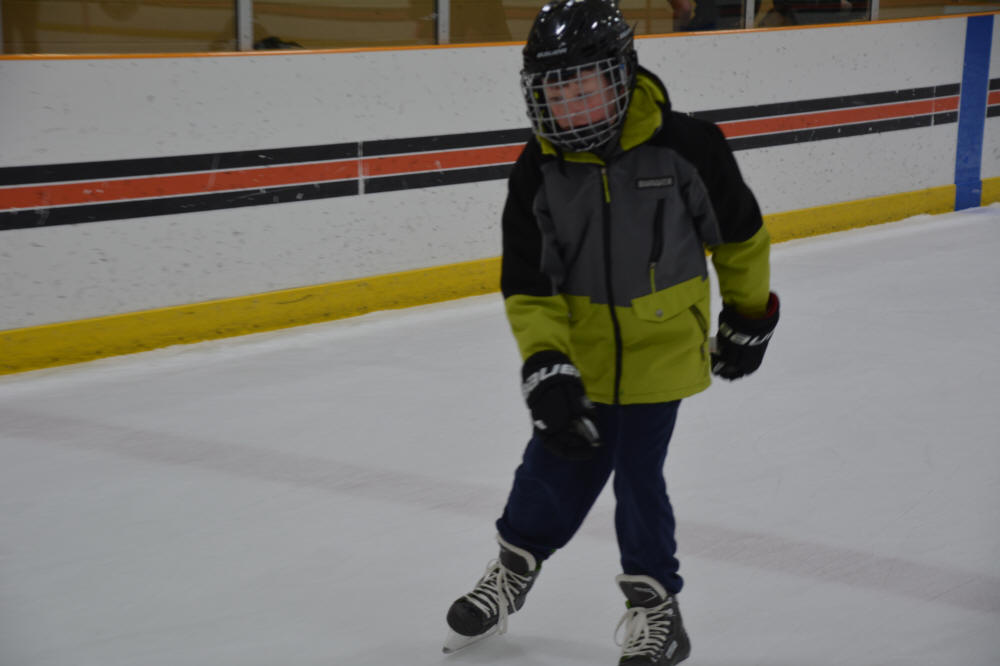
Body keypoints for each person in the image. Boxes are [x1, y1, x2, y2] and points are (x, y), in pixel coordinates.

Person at [443, 1, 780, 664]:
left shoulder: (687, 147)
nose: (570, 106)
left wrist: (749, 317)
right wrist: (545, 363)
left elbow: (740, 238)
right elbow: (530, 285)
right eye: (555, 92)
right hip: (583, 356)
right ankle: (513, 569)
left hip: (662, 349)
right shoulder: (539, 169)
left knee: (636, 477)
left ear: (621, 76)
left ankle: (657, 609)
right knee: (551, 463)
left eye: (584, 87)